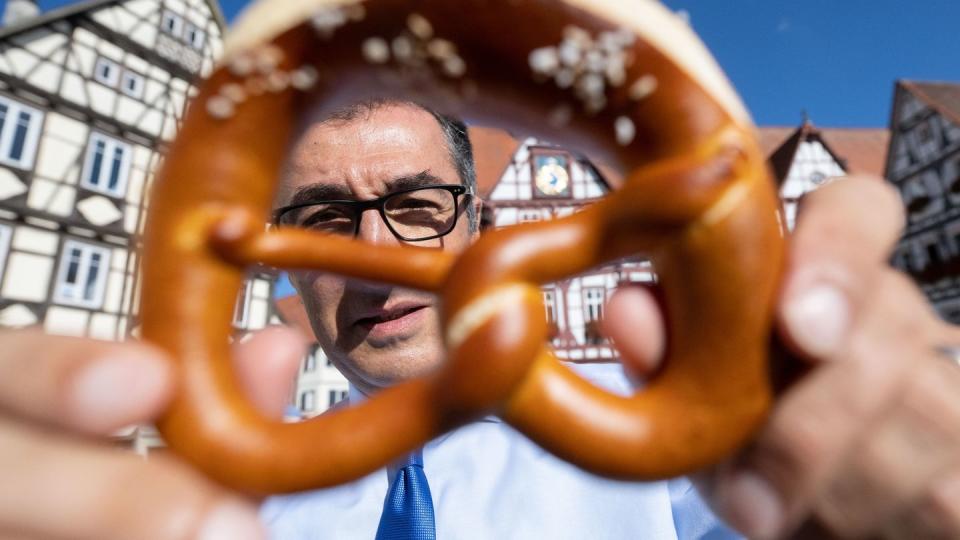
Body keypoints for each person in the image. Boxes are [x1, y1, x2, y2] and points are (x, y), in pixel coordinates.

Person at [1, 98, 958, 540]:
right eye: (325, 219)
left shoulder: (688, 443)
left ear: (481, 227)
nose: (375, 252)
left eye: (416, 206)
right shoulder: (217, 505)